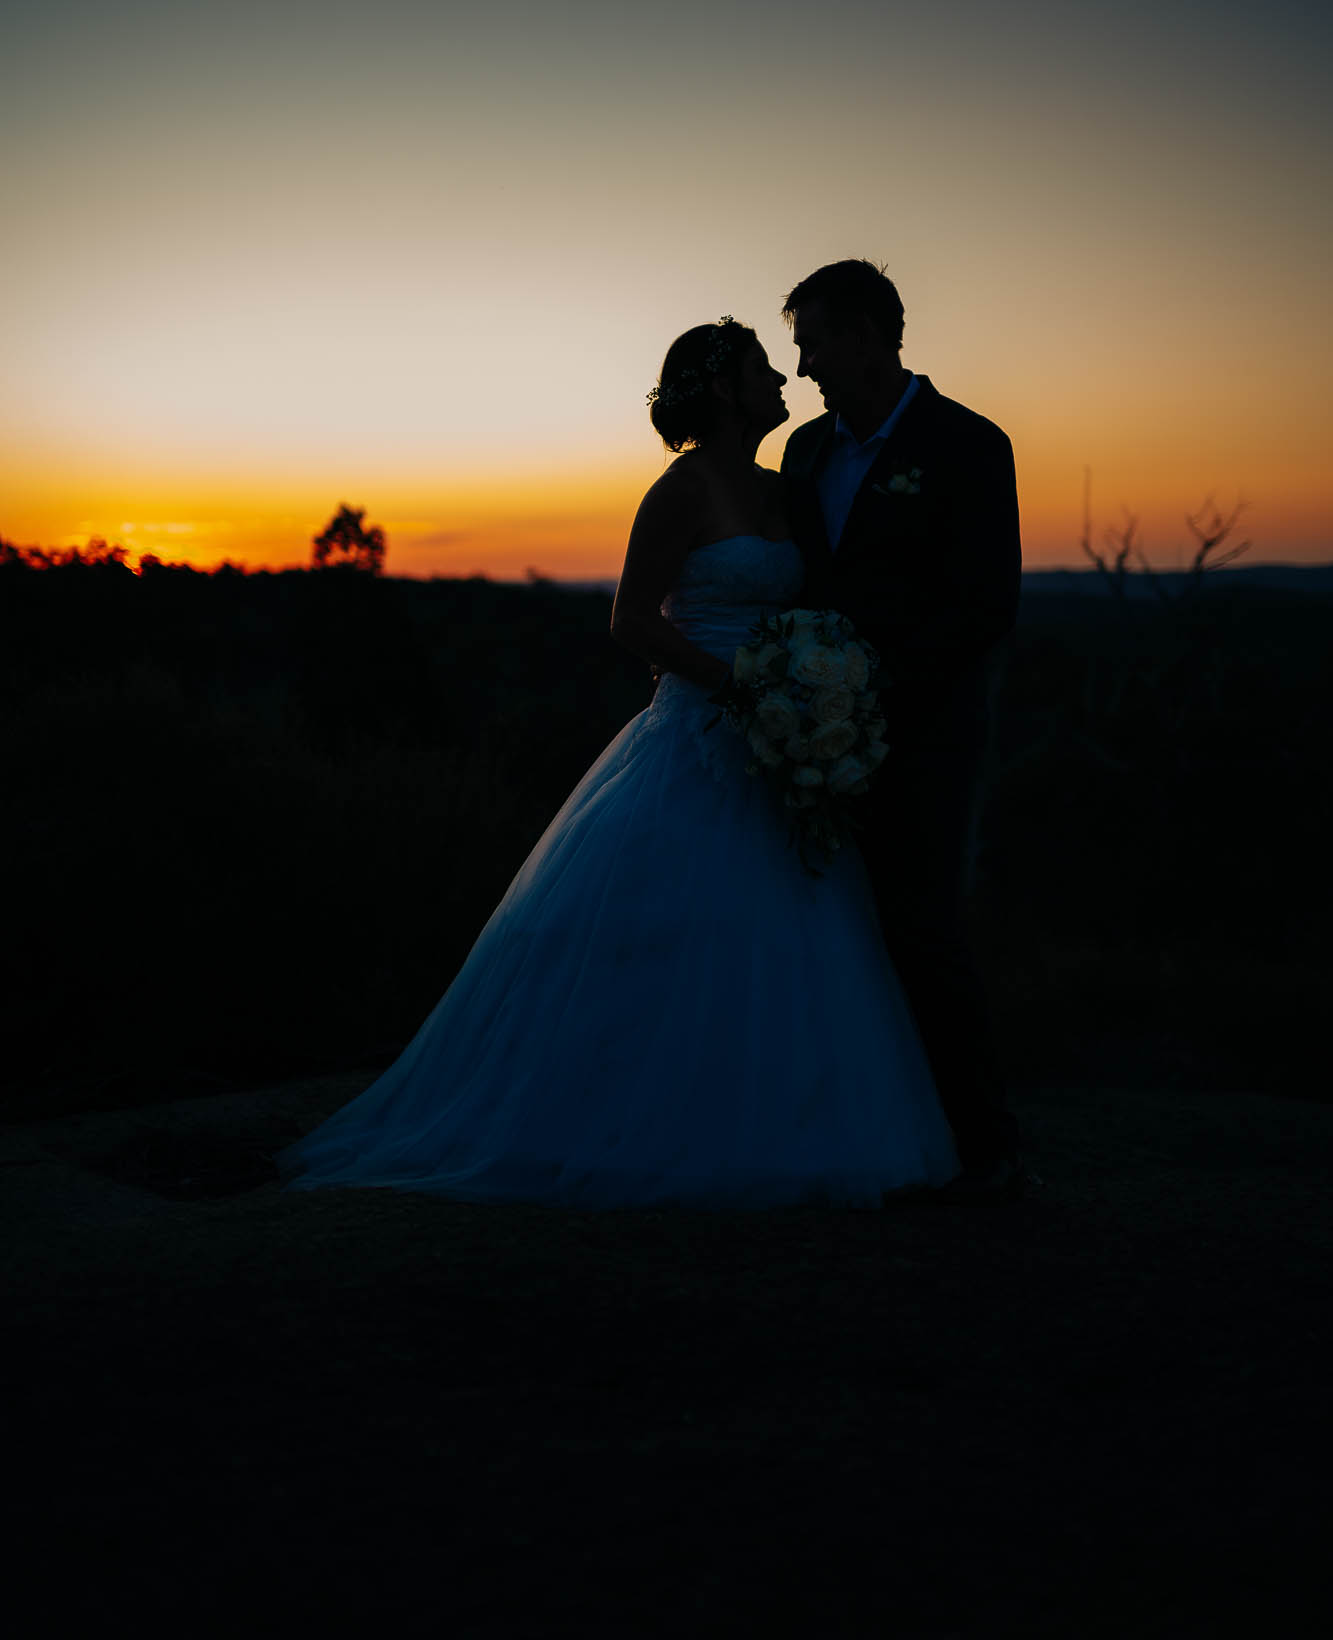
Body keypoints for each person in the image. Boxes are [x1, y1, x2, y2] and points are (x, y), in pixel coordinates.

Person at [278, 316, 959, 1206]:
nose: (783, 380)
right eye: (762, 367)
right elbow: (631, 620)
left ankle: (774, 1124)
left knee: (790, 936)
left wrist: (808, 688)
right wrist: (742, 687)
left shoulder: (780, 483)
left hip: (782, 748)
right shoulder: (678, 493)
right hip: (699, 737)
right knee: (674, 935)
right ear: (724, 388)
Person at [779, 260, 1023, 1197]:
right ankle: (847, 1130)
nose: (803, 370)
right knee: (825, 928)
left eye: (812, 346)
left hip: (925, 737)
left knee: (923, 930)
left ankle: (985, 1147)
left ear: (865, 336)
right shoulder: (802, 454)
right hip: (808, 740)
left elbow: (983, 604)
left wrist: (872, 697)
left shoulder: (967, 443)